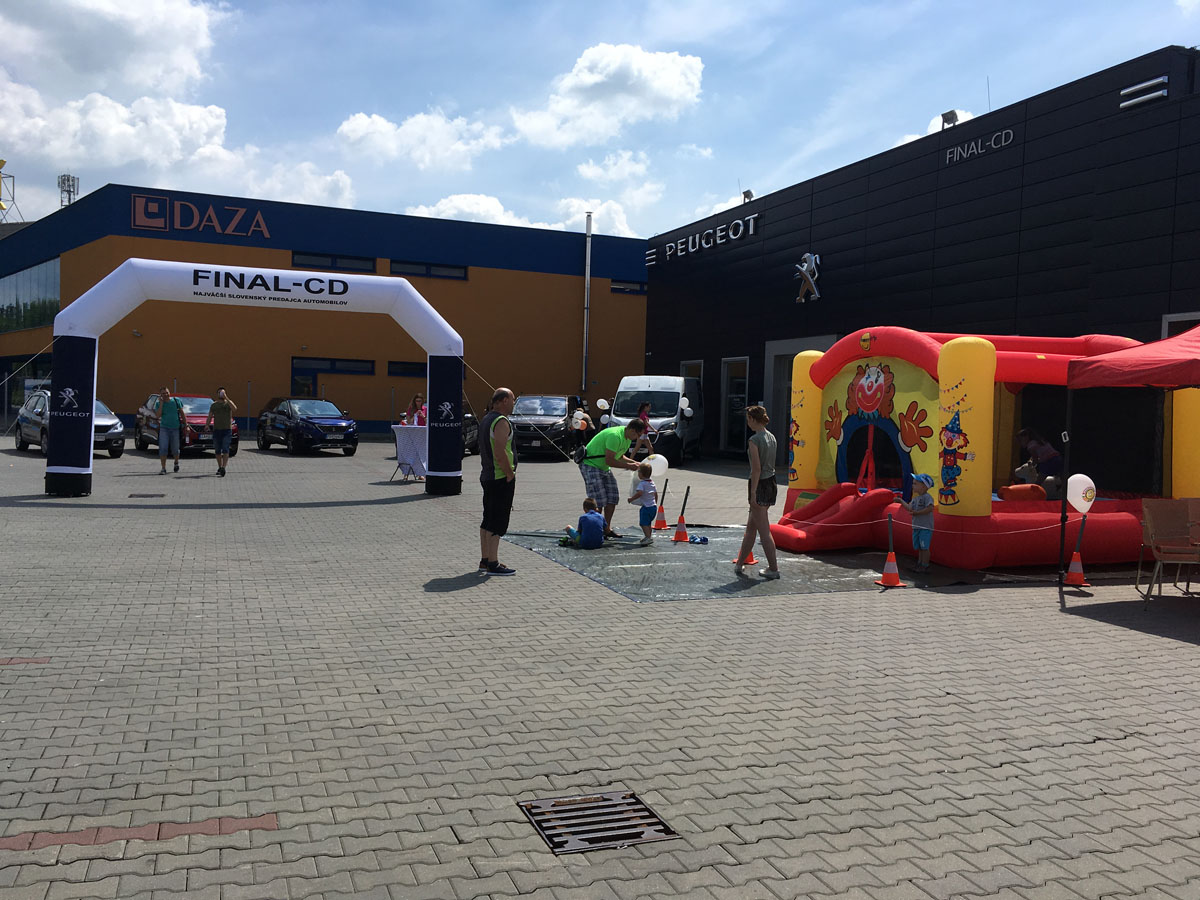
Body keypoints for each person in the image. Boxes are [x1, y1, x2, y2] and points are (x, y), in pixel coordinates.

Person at [578, 418, 648, 539]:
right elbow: (609, 460)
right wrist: (628, 466)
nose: (638, 438)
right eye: (638, 435)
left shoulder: (626, 438)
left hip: (604, 468)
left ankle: (606, 529)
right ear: (632, 430)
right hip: (591, 465)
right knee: (599, 500)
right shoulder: (615, 436)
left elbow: (619, 456)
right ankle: (594, 529)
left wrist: (634, 462)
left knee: (612, 497)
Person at [735, 405, 780, 579]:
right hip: (771, 482)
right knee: (751, 528)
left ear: (754, 419)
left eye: (748, 419)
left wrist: (753, 493)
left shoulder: (754, 440)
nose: (747, 423)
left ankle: (774, 569)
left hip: (759, 484)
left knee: (764, 531)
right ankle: (739, 564)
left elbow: (756, 469)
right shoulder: (772, 437)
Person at [478, 387, 517, 575]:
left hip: (488, 475)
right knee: (497, 521)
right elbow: (500, 452)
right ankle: (493, 563)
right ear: (503, 401)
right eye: (512, 399)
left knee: (488, 518)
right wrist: (510, 474)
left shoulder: (486, 419)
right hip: (499, 477)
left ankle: (485, 560)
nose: (514, 403)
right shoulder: (500, 421)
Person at [900, 473, 935, 572]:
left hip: (925, 527)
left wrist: (917, 513)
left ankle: (925, 565)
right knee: (920, 547)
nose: (913, 485)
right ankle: (919, 564)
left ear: (924, 486)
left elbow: (930, 508)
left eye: (915, 484)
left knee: (924, 547)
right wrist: (901, 501)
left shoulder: (927, 497)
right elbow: (909, 508)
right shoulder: (915, 499)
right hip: (916, 527)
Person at [204, 387, 237, 477]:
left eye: (222, 392)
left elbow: (234, 408)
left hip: (227, 430)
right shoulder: (214, 405)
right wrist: (207, 425)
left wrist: (226, 398)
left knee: (225, 448)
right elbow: (210, 415)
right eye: (219, 392)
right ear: (217, 394)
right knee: (217, 450)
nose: (221, 394)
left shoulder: (228, 403)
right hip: (217, 430)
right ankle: (220, 467)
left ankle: (224, 467)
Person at [154, 386, 185, 474]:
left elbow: (182, 413)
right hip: (164, 428)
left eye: (167, 393)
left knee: (175, 449)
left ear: (169, 393)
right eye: (163, 393)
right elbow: (157, 415)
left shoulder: (176, 401)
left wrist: (186, 425)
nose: (165, 395)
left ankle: (176, 462)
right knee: (163, 448)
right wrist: (161, 404)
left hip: (175, 428)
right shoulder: (158, 404)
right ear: (160, 395)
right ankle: (163, 468)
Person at [627, 461, 658, 546]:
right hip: (653, 507)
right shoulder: (652, 483)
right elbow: (655, 494)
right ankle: (648, 536)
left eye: (638, 472)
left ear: (641, 474)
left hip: (646, 507)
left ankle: (648, 538)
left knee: (643, 523)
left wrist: (631, 499)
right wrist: (655, 502)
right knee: (648, 523)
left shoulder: (642, 484)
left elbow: (640, 493)